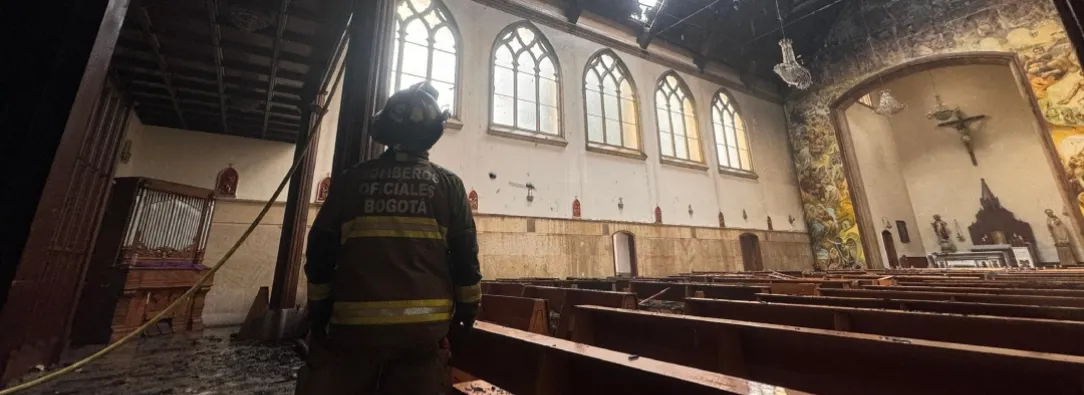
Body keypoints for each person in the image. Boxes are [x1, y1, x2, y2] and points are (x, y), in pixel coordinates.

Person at [297, 82, 482, 395]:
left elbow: (320, 251)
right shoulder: (449, 185)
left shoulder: (352, 180)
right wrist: (466, 314)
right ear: (432, 134)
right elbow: (465, 258)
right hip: (423, 338)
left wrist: (319, 310)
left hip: (353, 335)